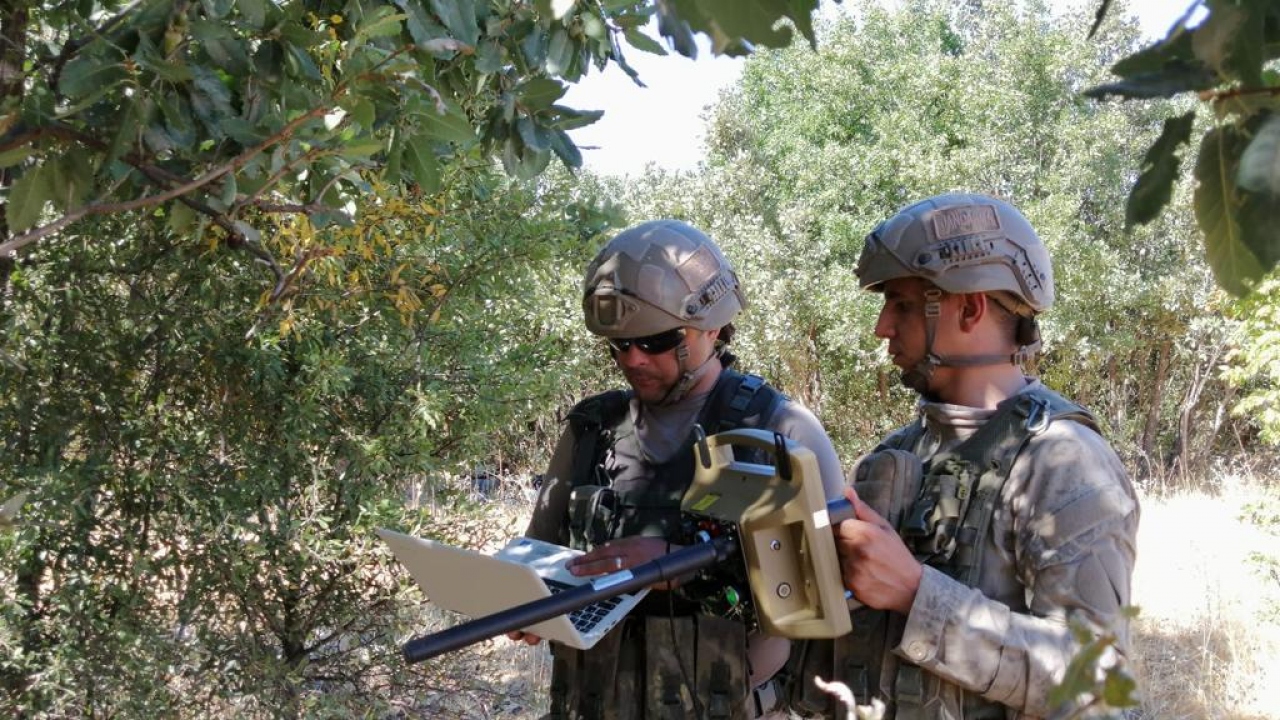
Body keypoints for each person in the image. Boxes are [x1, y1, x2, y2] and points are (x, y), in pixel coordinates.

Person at [513, 219, 846, 720]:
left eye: (655, 341)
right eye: (618, 345)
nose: (633, 359)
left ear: (712, 325)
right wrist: (529, 605)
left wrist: (678, 566)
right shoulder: (592, 430)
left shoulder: (777, 429)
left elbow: (816, 601)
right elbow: (541, 557)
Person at [824, 193, 1140, 719]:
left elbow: (1097, 685)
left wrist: (916, 594)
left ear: (969, 307)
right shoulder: (900, 452)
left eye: (900, 303)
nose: (882, 326)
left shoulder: (1064, 464)